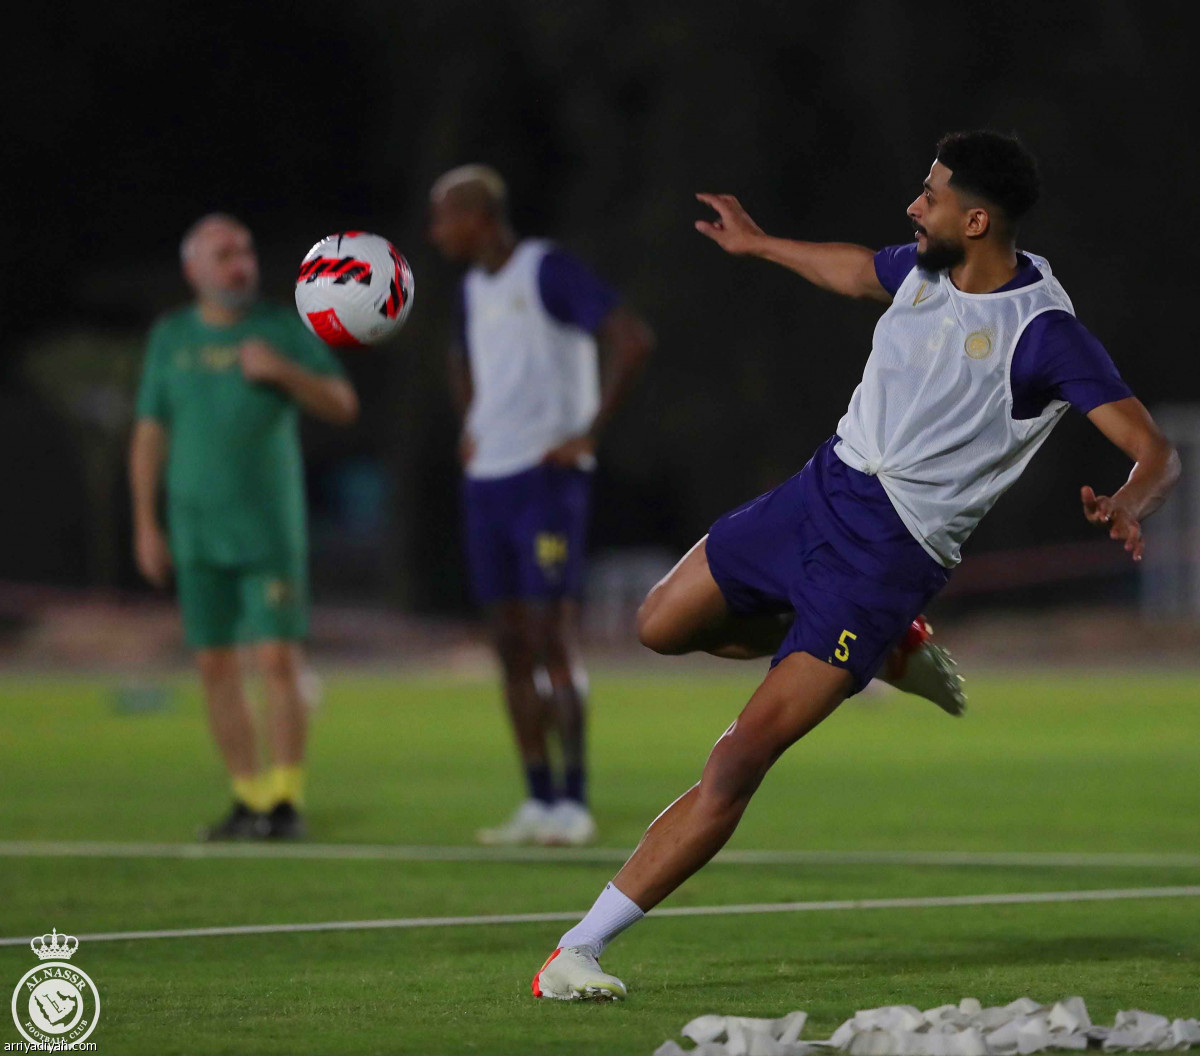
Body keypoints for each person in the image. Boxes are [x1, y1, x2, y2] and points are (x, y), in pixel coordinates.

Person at [531, 130, 1180, 999]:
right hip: (817, 490)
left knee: (736, 761)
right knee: (657, 624)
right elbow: (850, 271)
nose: (915, 206)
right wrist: (759, 243)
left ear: (976, 219)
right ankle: (885, 654)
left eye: (932, 195)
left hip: (884, 560)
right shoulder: (925, 265)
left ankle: (578, 950)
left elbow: (1154, 449)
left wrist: (1132, 499)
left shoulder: (1043, 334)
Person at [427, 165, 655, 846]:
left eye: (445, 217)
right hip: (488, 481)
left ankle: (574, 802)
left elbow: (631, 337)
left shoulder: (544, 269)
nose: (436, 232)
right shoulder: (473, 287)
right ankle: (537, 797)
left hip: (547, 482)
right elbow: (459, 357)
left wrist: (587, 430)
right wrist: (471, 424)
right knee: (506, 641)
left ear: (480, 217)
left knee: (553, 633)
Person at [130, 213, 359, 840]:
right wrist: (146, 524)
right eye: (225, 253)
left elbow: (343, 405)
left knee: (278, 660)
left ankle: (286, 800)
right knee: (214, 667)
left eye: (246, 250)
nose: (241, 263)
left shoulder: (282, 329)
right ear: (193, 270)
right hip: (195, 531)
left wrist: (283, 371)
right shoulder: (170, 337)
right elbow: (150, 433)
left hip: (268, 532)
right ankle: (247, 796)